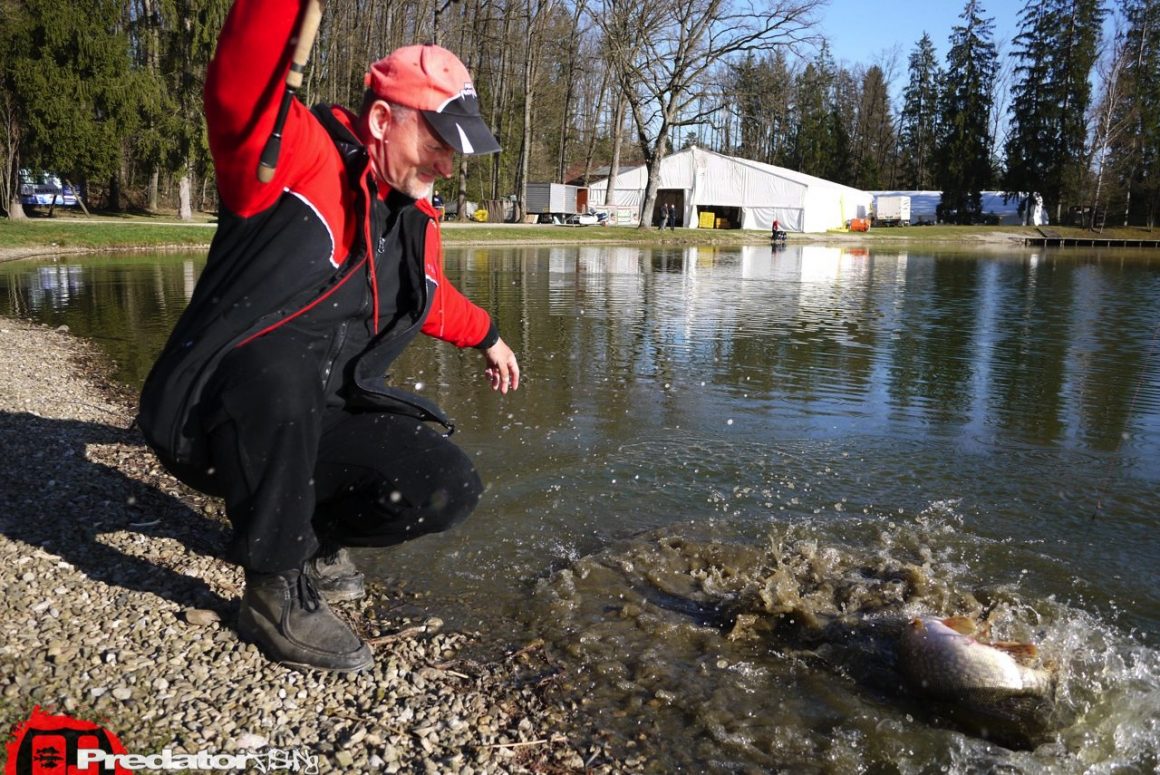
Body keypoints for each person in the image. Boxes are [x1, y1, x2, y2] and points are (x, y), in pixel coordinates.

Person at [137, 0, 520, 673]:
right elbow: (239, 80)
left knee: (445, 485)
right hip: (209, 418)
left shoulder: (414, 214)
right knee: (284, 361)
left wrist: (487, 335)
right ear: (380, 120)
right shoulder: (290, 157)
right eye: (436, 143)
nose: (447, 166)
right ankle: (273, 589)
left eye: (455, 151)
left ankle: (310, 537)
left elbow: (426, 298)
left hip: (311, 418)